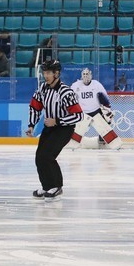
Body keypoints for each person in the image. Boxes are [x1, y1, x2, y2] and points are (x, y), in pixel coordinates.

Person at [26, 59, 83, 200]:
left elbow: (78, 115)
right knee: (39, 157)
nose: (45, 76)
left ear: (56, 74)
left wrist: (57, 121)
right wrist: (31, 125)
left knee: (48, 156)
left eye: (48, 73)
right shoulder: (42, 89)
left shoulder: (66, 92)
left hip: (64, 129)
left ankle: (56, 187)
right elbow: (35, 106)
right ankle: (46, 187)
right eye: (44, 72)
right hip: (49, 128)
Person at [68, 68, 126, 149]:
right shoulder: (76, 85)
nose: (85, 76)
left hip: (96, 111)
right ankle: (72, 146)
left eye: (87, 74)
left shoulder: (96, 84)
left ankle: (115, 145)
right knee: (78, 129)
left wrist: (107, 107)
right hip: (83, 113)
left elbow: (104, 96)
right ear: (81, 75)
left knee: (104, 128)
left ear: (91, 75)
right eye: (84, 74)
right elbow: (69, 96)